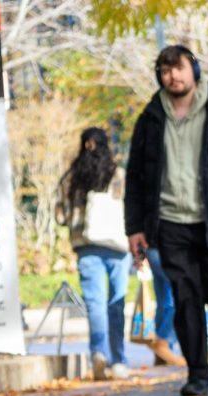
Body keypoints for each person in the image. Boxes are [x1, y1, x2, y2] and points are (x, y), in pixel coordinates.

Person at [124, 45, 208, 396]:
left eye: (179, 68)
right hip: (170, 223)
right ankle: (198, 370)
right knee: (186, 300)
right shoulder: (150, 118)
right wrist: (134, 227)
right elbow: (135, 177)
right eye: (166, 70)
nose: (173, 76)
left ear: (194, 70)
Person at [57, 127, 132, 381]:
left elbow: (60, 215)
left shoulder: (73, 177)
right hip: (118, 247)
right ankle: (119, 360)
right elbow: (131, 208)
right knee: (116, 303)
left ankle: (98, 353)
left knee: (95, 305)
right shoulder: (117, 175)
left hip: (86, 245)